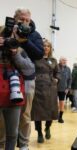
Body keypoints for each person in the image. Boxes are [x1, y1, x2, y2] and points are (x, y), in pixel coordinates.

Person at [0, 8, 44, 150]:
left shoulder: (34, 34)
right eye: (21, 19)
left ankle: (24, 144)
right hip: (4, 77)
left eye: (27, 20)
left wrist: (24, 41)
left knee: (25, 115)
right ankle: (3, 142)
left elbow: (39, 54)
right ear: (15, 18)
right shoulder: (3, 29)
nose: (25, 22)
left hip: (26, 77)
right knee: (4, 116)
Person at [0, 25, 35, 150]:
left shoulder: (18, 50)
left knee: (13, 133)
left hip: (14, 96)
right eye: (4, 36)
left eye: (10, 36)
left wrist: (15, 54)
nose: (7, 39)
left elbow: (30, 69)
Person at [31, 39, 60, 143]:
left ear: (50, 48)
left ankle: (47, 127)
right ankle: (39, 132)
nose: (46, 47)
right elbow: (30, 70)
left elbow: (58, 72)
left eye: (48, 46)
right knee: (38, 111)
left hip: (50, 87)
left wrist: (57, 79)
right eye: (44, 45)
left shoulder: (53, 60)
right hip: (38, 87)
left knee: (51, 110)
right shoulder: (35, 59)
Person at [57, 57, 72, 123]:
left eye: (65, 60)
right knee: (54, 103)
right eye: (63, 60)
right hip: (54, 88)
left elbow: (70, 79)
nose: (65, 61)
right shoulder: (56, 67)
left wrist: (68, 88)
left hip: (63, 89)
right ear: (59, 61)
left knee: (62, 103)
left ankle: (60, 117)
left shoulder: (68, 69)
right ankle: (53, 116)